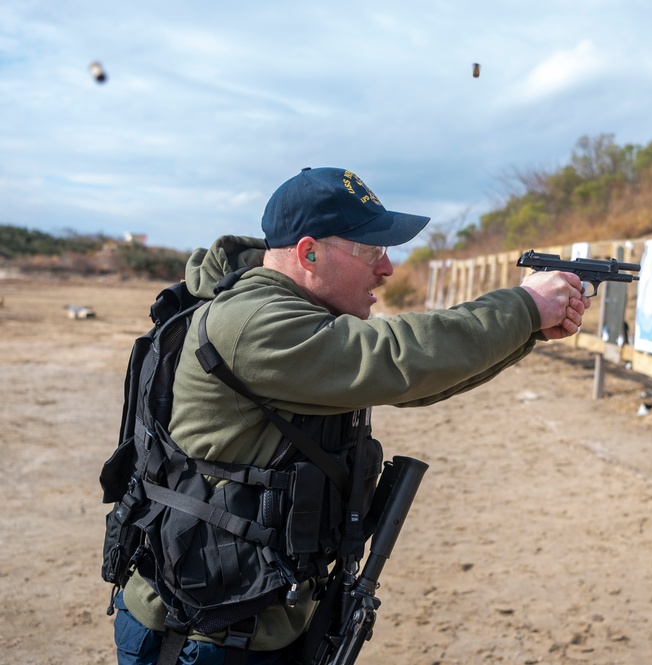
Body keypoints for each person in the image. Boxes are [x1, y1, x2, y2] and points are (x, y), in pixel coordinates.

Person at [112, 166, 590, 664]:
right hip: (200, 635)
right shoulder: (253, 321)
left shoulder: (289, 311)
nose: (386, 269)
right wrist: (525, 307)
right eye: (371, 251)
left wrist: (528, 327)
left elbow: (412, 382)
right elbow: (395, 358)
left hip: (246, 616)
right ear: (308, 252)